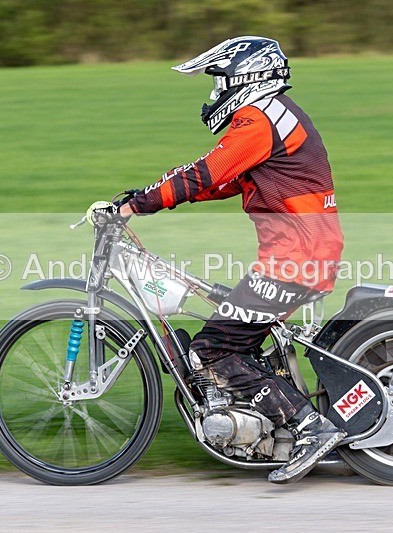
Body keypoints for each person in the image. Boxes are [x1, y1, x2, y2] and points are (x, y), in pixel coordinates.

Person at [118, 36, 345, 484]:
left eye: (219, 82)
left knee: (212, 348)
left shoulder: (259, 119)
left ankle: (309, 428)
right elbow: (217, 183)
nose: (215, 93)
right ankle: (266, 423)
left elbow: (206, 172)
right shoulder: (272, 117)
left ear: (246, 76)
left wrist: (137, 206)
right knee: (231, 330)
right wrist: (147, 198)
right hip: (300, 252)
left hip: (297, 257)